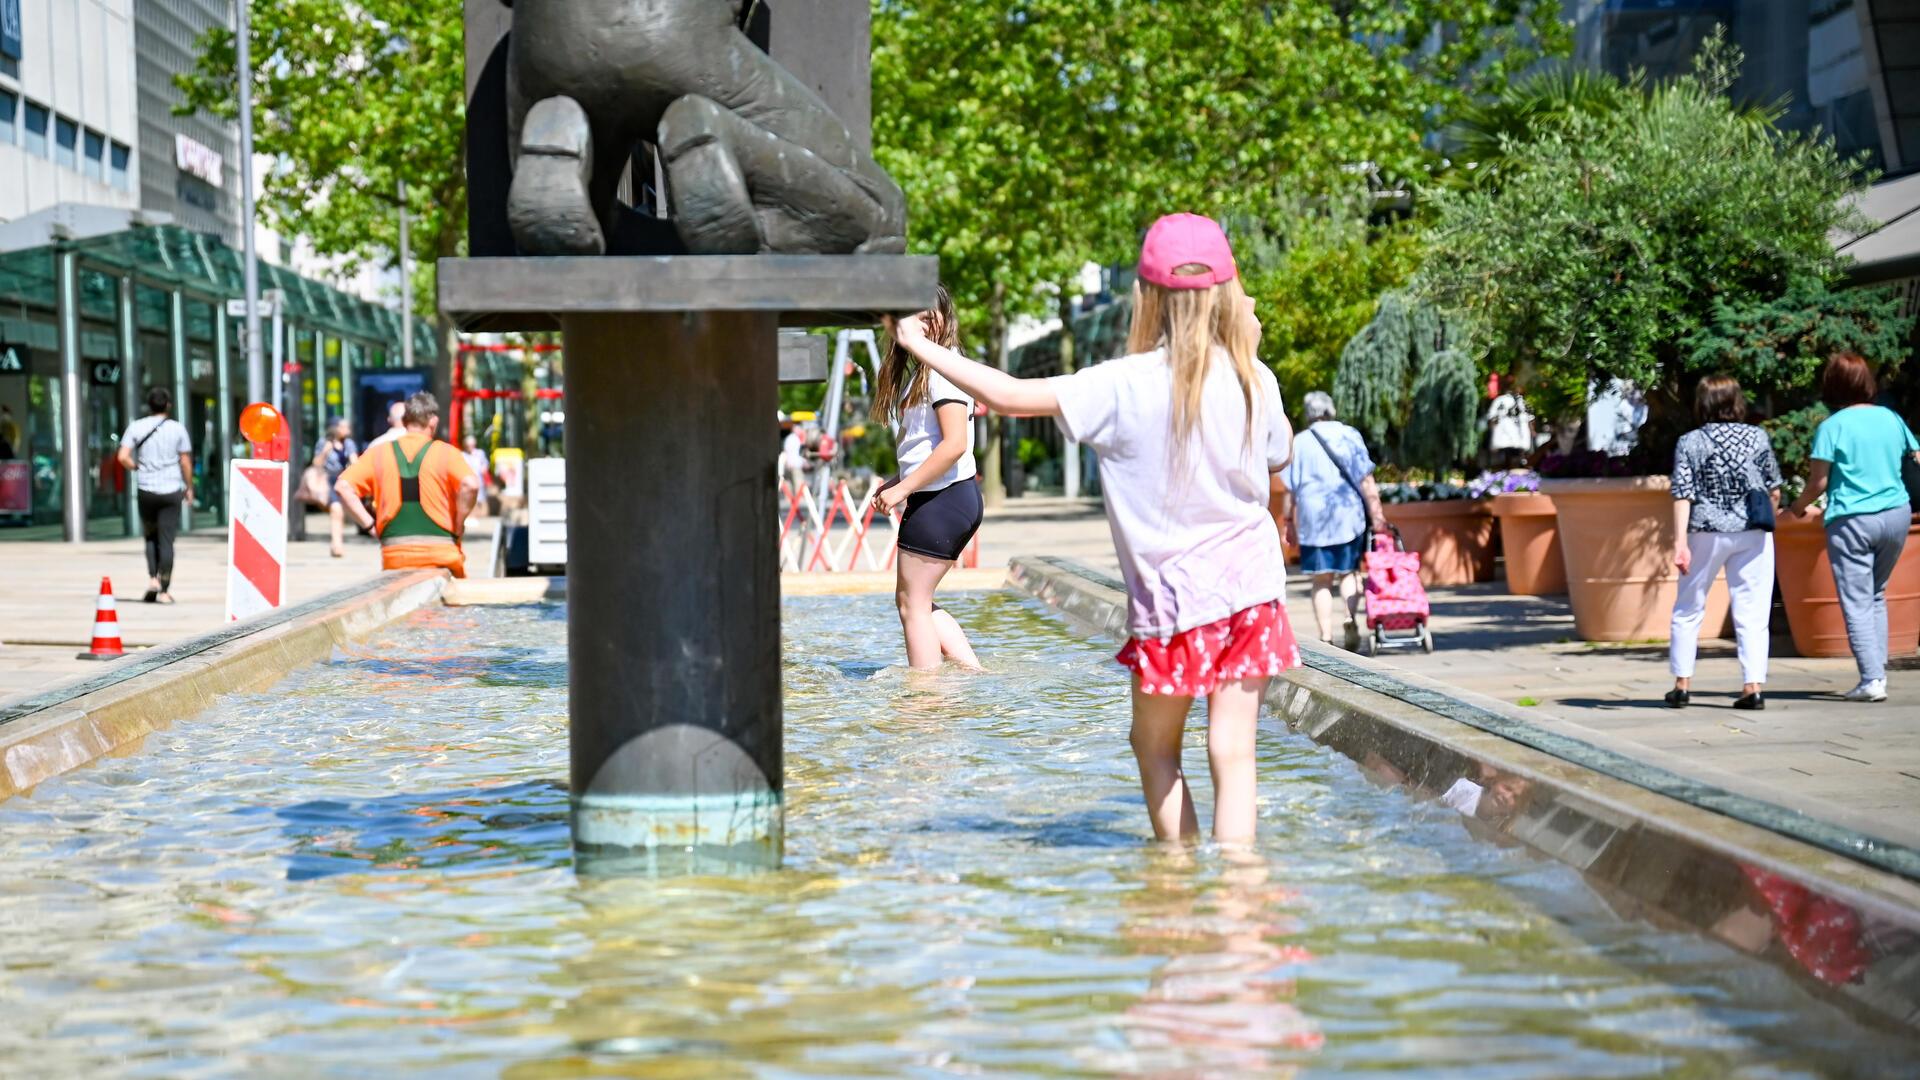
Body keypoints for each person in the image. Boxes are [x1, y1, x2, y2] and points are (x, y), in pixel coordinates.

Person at [890, 213, 1299, 845]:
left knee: (1156, 748)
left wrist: (919, 344)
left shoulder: (1123, 385)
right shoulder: (1255, 378)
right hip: (1254, 598)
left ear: (1144, 299)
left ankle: (1179, 880)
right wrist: (1247, 348)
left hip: (1175, 606)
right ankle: (1240, 893)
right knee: (1233, 751)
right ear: (1226, 296)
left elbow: (1006, 395)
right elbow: (1281, 457)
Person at [1786, 353, 1920, 702]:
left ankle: (1872, 680)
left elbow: (1818, 483)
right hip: (1896, 515)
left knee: (1857, 600)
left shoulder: (1832, 426)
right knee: (1875, 594)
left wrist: (1797, 508)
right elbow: (1917, 455)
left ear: (1832, 385)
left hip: (1853, 521)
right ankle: (1878, 675)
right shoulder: (1891, 418)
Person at [871, 284, 983, 671]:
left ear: (940, 320)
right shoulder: (932, 370)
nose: (913, 329)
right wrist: (897, 479)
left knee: (911, 604)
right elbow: (926, 445)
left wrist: (903, 487)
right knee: (915, 600)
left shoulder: (943, 371)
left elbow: (954, 445)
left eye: (922, 318)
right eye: (907, 320)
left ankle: (926, 699)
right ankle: (973, 673)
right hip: (943, 498)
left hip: (944, 499)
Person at [1666, 375, 1780, 711]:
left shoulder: (1690, 442)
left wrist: (1679, 542)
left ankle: (1682, 685)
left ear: (1702, 403)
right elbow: (1773, 488)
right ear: (1737, 401)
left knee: (1688, 607)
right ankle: (1753, 686)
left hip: (1705, 530)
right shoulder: (1757, 437)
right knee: (1753, 611)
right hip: (1752, 532)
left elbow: (1682, 494)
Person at [1273, 392, 1386, 649]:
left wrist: (1288, 520)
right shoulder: (1350, 435)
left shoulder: (1299, 443)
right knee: (1349, 573)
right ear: (1331, 410)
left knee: (1321, 580)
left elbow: (1291, 489)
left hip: (1314, 520)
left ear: (1308, 413)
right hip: (1348, 517)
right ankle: (1349, 617)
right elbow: (1366, 480)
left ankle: (1325, 636)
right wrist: (1378, 515)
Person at [335, 391, 481, 577]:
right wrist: (459, 523)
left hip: (396, 556)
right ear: (433, 421)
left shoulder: (378, 453)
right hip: (442, 554)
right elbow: (470, 485)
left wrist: (370, 526)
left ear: (404, 423)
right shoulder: (446, 453)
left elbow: (343, 487)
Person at [117, 387, 193, 603]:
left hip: (146, 490)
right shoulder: (177, 429)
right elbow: (185, 461)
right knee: (166, 539)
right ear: (168, 405)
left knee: (150, 536)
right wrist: (188, 486)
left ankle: (153, 579)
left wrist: (135, 467)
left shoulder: (136, 426)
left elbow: (122, 456)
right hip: (170, 490)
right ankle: (165, 590)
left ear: (149, 405)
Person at [311, 416, 360, 558]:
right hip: (328, 479)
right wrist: (326, 451)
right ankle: (337, 544)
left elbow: (354, 461)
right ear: (335, 428)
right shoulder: (323, 442)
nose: (347, 429)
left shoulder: (349, 443)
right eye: (344, 427)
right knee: (336, 510)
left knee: (339, 512)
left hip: (342, 479)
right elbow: (316, 463)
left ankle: (336, 544)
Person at [459, 433, 492, 517]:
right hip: (468, 480)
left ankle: (483, 514)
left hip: (479, 479)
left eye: (472, 445)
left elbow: (485, 465)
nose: (471, 447)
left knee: (481, 498)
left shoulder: (480, 453)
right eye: (469, 445)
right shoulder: (463, 455)